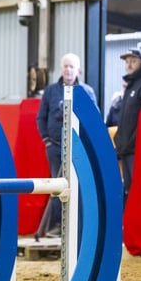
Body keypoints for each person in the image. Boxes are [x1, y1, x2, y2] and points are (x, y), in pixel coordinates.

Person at [36, 52, 97, 238]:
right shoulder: (50, 91)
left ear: (78, 70)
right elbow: (41, 117)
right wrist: (46, 140)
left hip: (79, 150)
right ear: (61, 69)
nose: (68, 70)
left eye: (72, 66)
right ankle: (56, 226)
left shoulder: (87, 91)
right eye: (65, 66)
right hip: (54, 147)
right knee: (57, 185)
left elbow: (94, 119)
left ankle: (79, 226)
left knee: (79, 185)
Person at [114, 48, 141, 206]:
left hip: (136, 150)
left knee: (137, 191)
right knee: (128, 190)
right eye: (127, 62)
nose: (129, 65)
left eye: (133, 61)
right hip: (125, 149)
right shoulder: (129, 86)